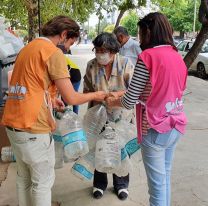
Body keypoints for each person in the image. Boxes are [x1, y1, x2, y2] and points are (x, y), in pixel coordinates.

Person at [1, 16, 106, 206]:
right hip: (34, 128)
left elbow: (30, 85)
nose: (67, 48)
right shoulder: (52, 52)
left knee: (23, 177)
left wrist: (50, 99)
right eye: (70, 43)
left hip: (13, 124)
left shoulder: (28, 48)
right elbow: (72, 98)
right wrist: (96, 95)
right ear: (64, 34)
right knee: (42, 182)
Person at [106, 12, 187, 206]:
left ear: (149, 31)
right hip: (175, 125)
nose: (139, 37)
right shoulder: (177, 56)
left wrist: (112, 102)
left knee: (156, 189)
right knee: (164, 180)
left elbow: (129, 101)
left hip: (154, 129)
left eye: (141, 32)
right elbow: (165, 90)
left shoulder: (147, 57)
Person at [83, 32, 134, 201]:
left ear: (113, 51)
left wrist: (114, 95)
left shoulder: (126, 64)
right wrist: (94, 96)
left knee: (120, 150)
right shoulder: (91, 66)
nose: (99, 54)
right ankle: (99, 183)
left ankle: (121, 184)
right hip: (98, 116)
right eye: (96, 50)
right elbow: (87, 91)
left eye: (102, 50)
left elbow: (134, 91)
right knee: (100, 148)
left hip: (121, 116)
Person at [57, 44, 81, 114]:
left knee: (74, 97)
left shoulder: (61, 60)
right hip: (69, 76)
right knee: (64, 97)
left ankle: (75, 115)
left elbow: (64, 76)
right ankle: (65, 114)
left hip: (75, 77)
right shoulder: (56, 58)